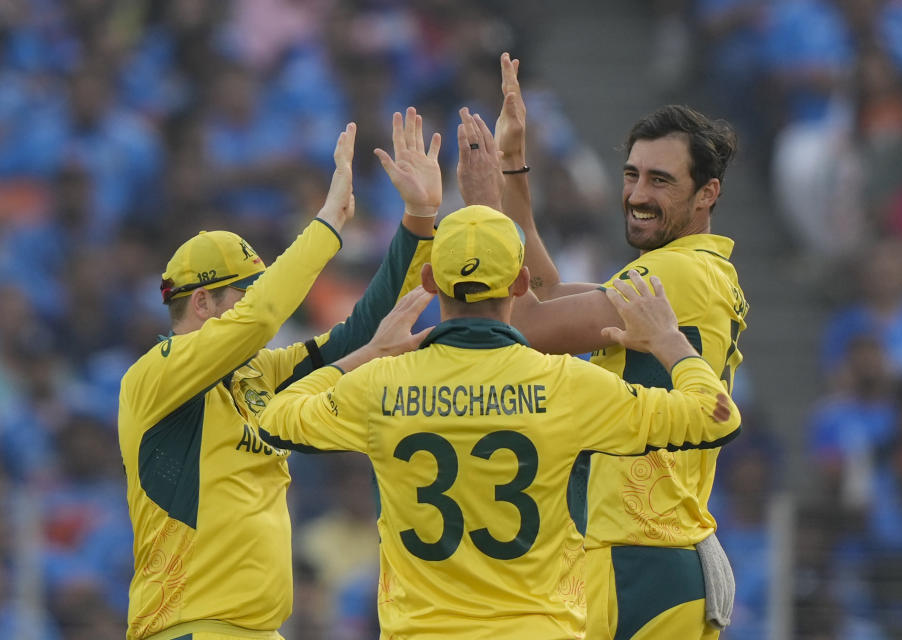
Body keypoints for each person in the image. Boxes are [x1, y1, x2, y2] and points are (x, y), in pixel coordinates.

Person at [258, 204, 742, 639]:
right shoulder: (568, 385)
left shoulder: (381, 384)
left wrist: (367, 353)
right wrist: (671, 341)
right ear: (520, 284)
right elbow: (714, 417)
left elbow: (274, 417)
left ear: (429, 282)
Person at [118, 107, 443, 640]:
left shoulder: (254, 375)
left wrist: (418, 220)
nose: (261, 304)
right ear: (202, 302)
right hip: (190, 627)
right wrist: (330, 224)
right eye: (245, 293)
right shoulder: (155, 377)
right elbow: (266, 315)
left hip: (261, 630)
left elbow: (354, 336)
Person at [459, 53, 749, 640]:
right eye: (632, 174)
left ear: (707, 194)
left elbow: (527, 325)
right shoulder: (686, 271)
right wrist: (515, 166)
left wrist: (482, 205)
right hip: (646, 551)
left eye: (660, 180)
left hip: (637, 556)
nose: (638, 193)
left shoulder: (681, 274)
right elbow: (542, 290)